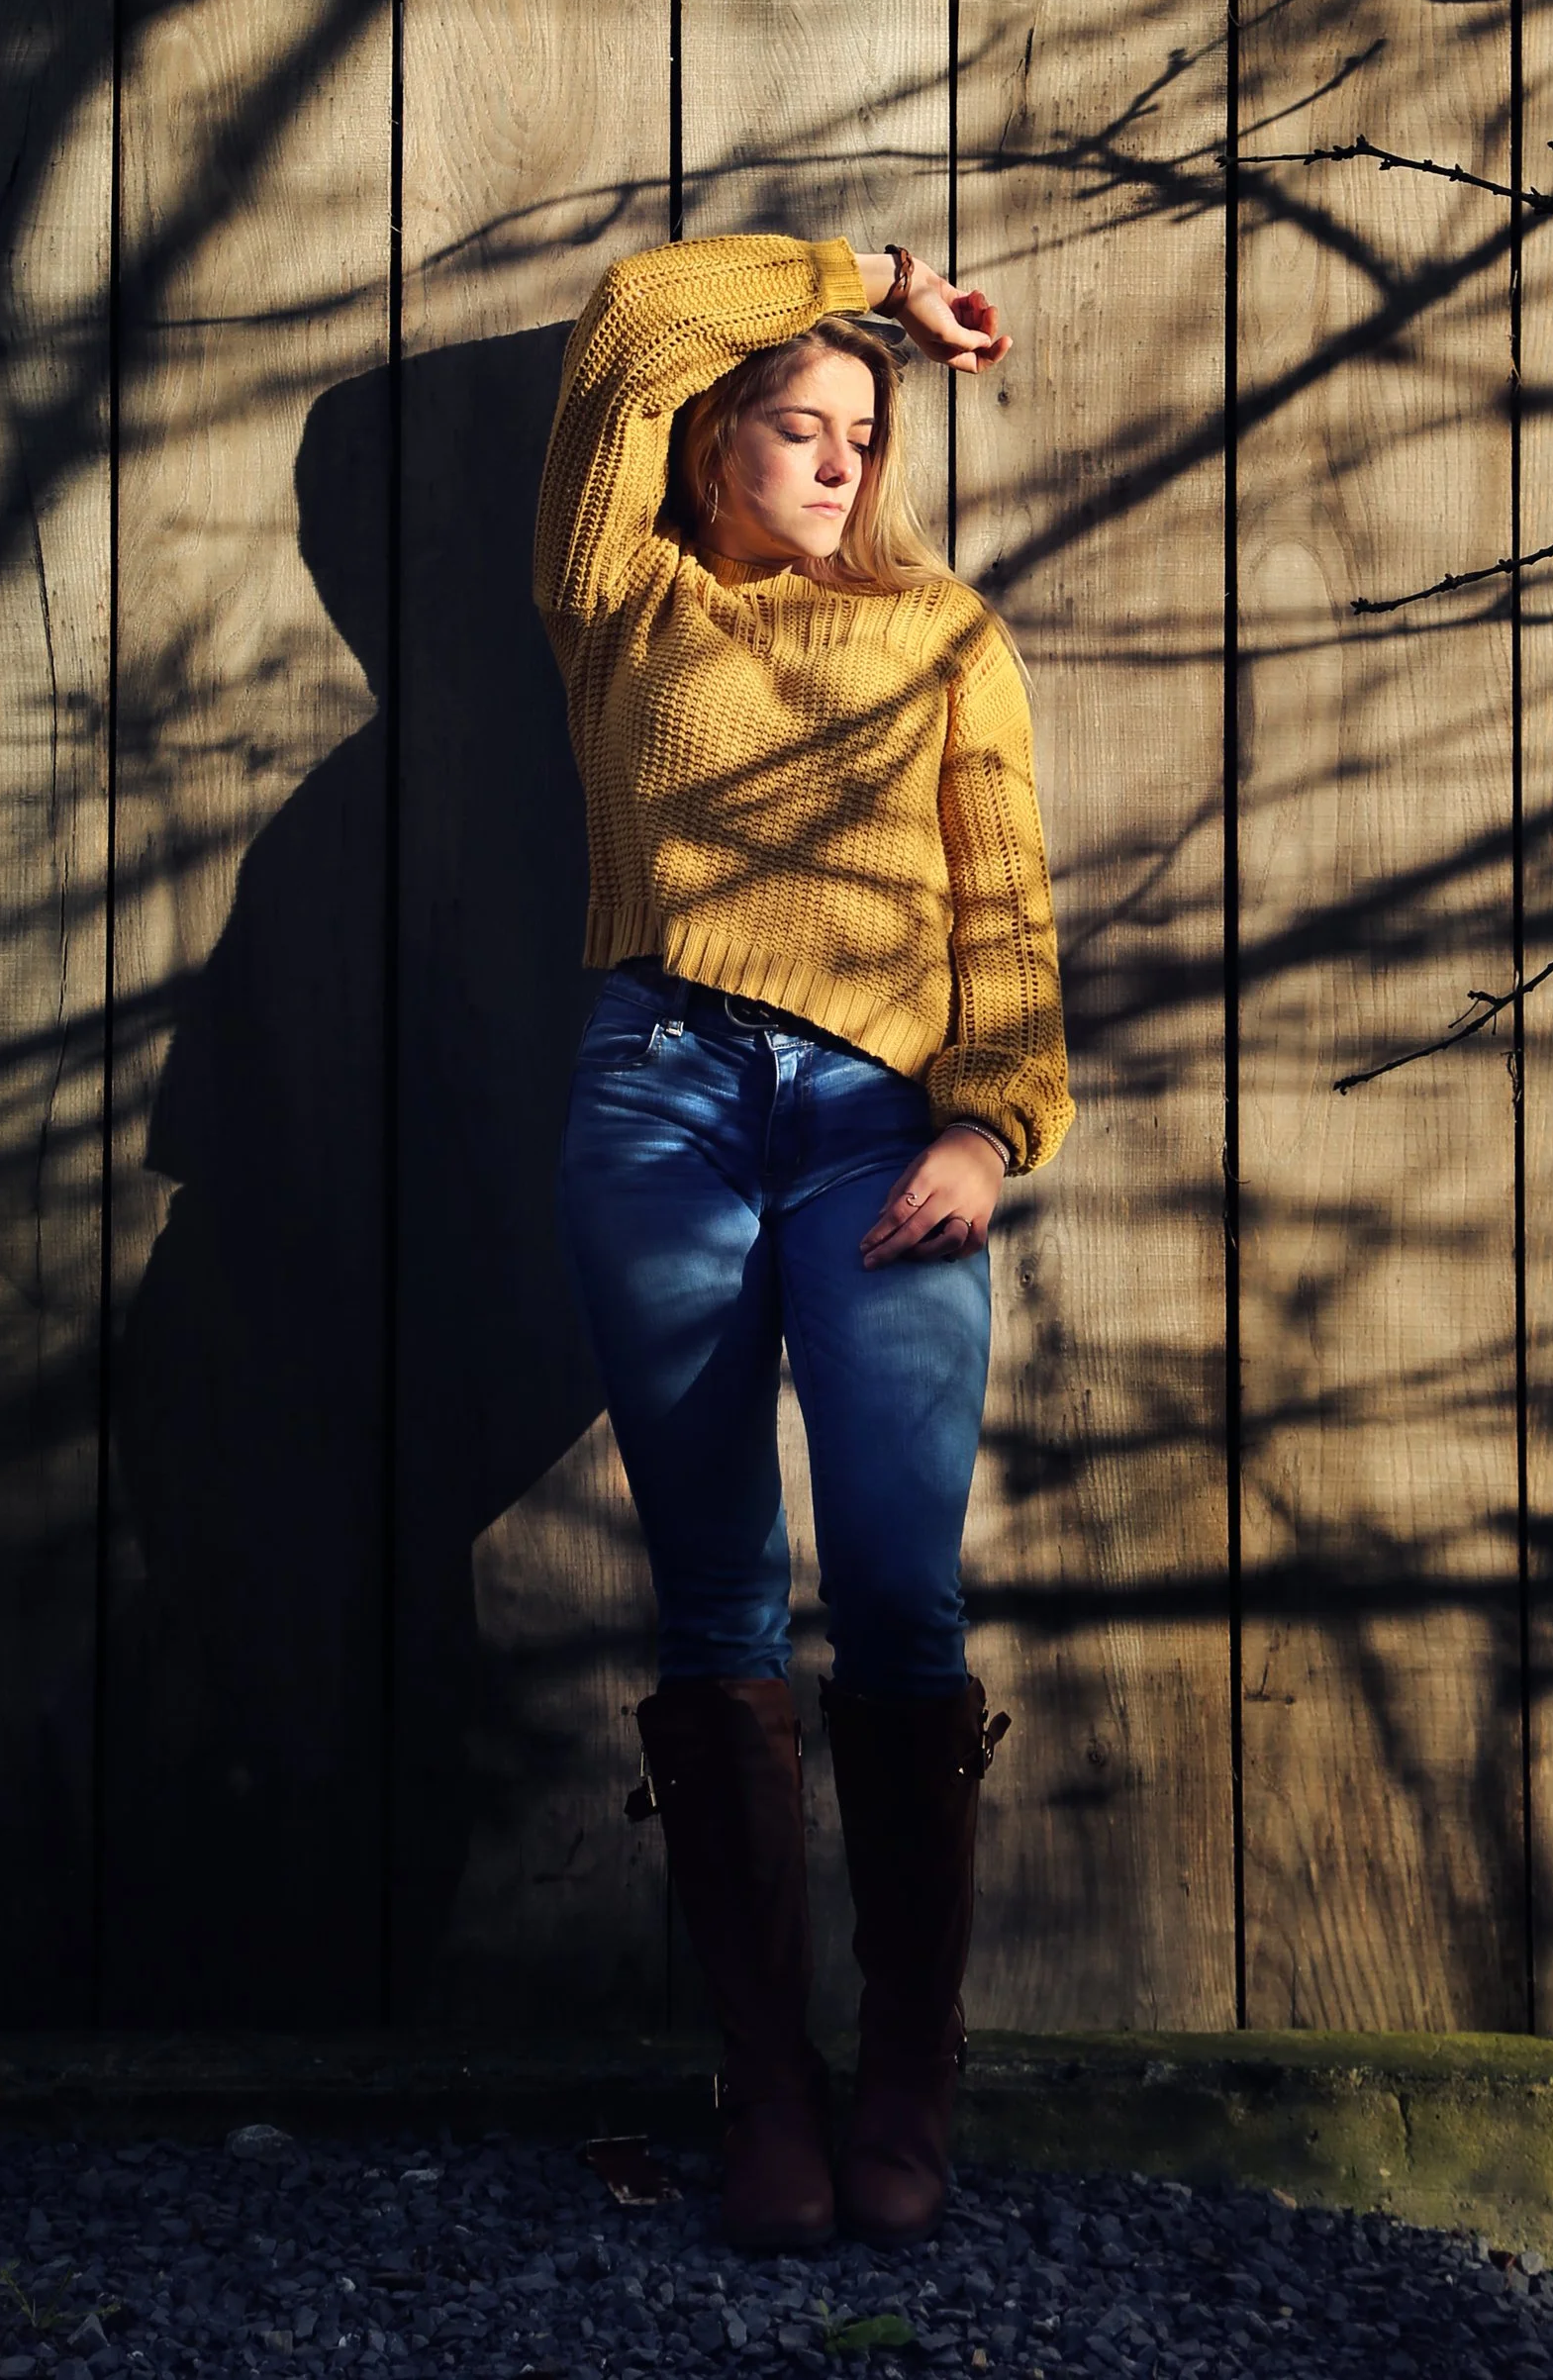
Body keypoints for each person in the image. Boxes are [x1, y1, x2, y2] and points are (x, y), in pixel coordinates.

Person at [533, 231, 1072, 2255]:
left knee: (902, 1604)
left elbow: (998, 888)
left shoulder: (943, 629)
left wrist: (990, 1116)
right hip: (656, 1094)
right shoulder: (620, 595)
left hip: (878, 1130)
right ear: (711, 443)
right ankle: (764, 2085)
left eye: (861, 434)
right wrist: (859, 279)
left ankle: (905, 2085)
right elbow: (625, 321)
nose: (839, 461)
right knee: (713, 1612)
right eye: (797, 424)